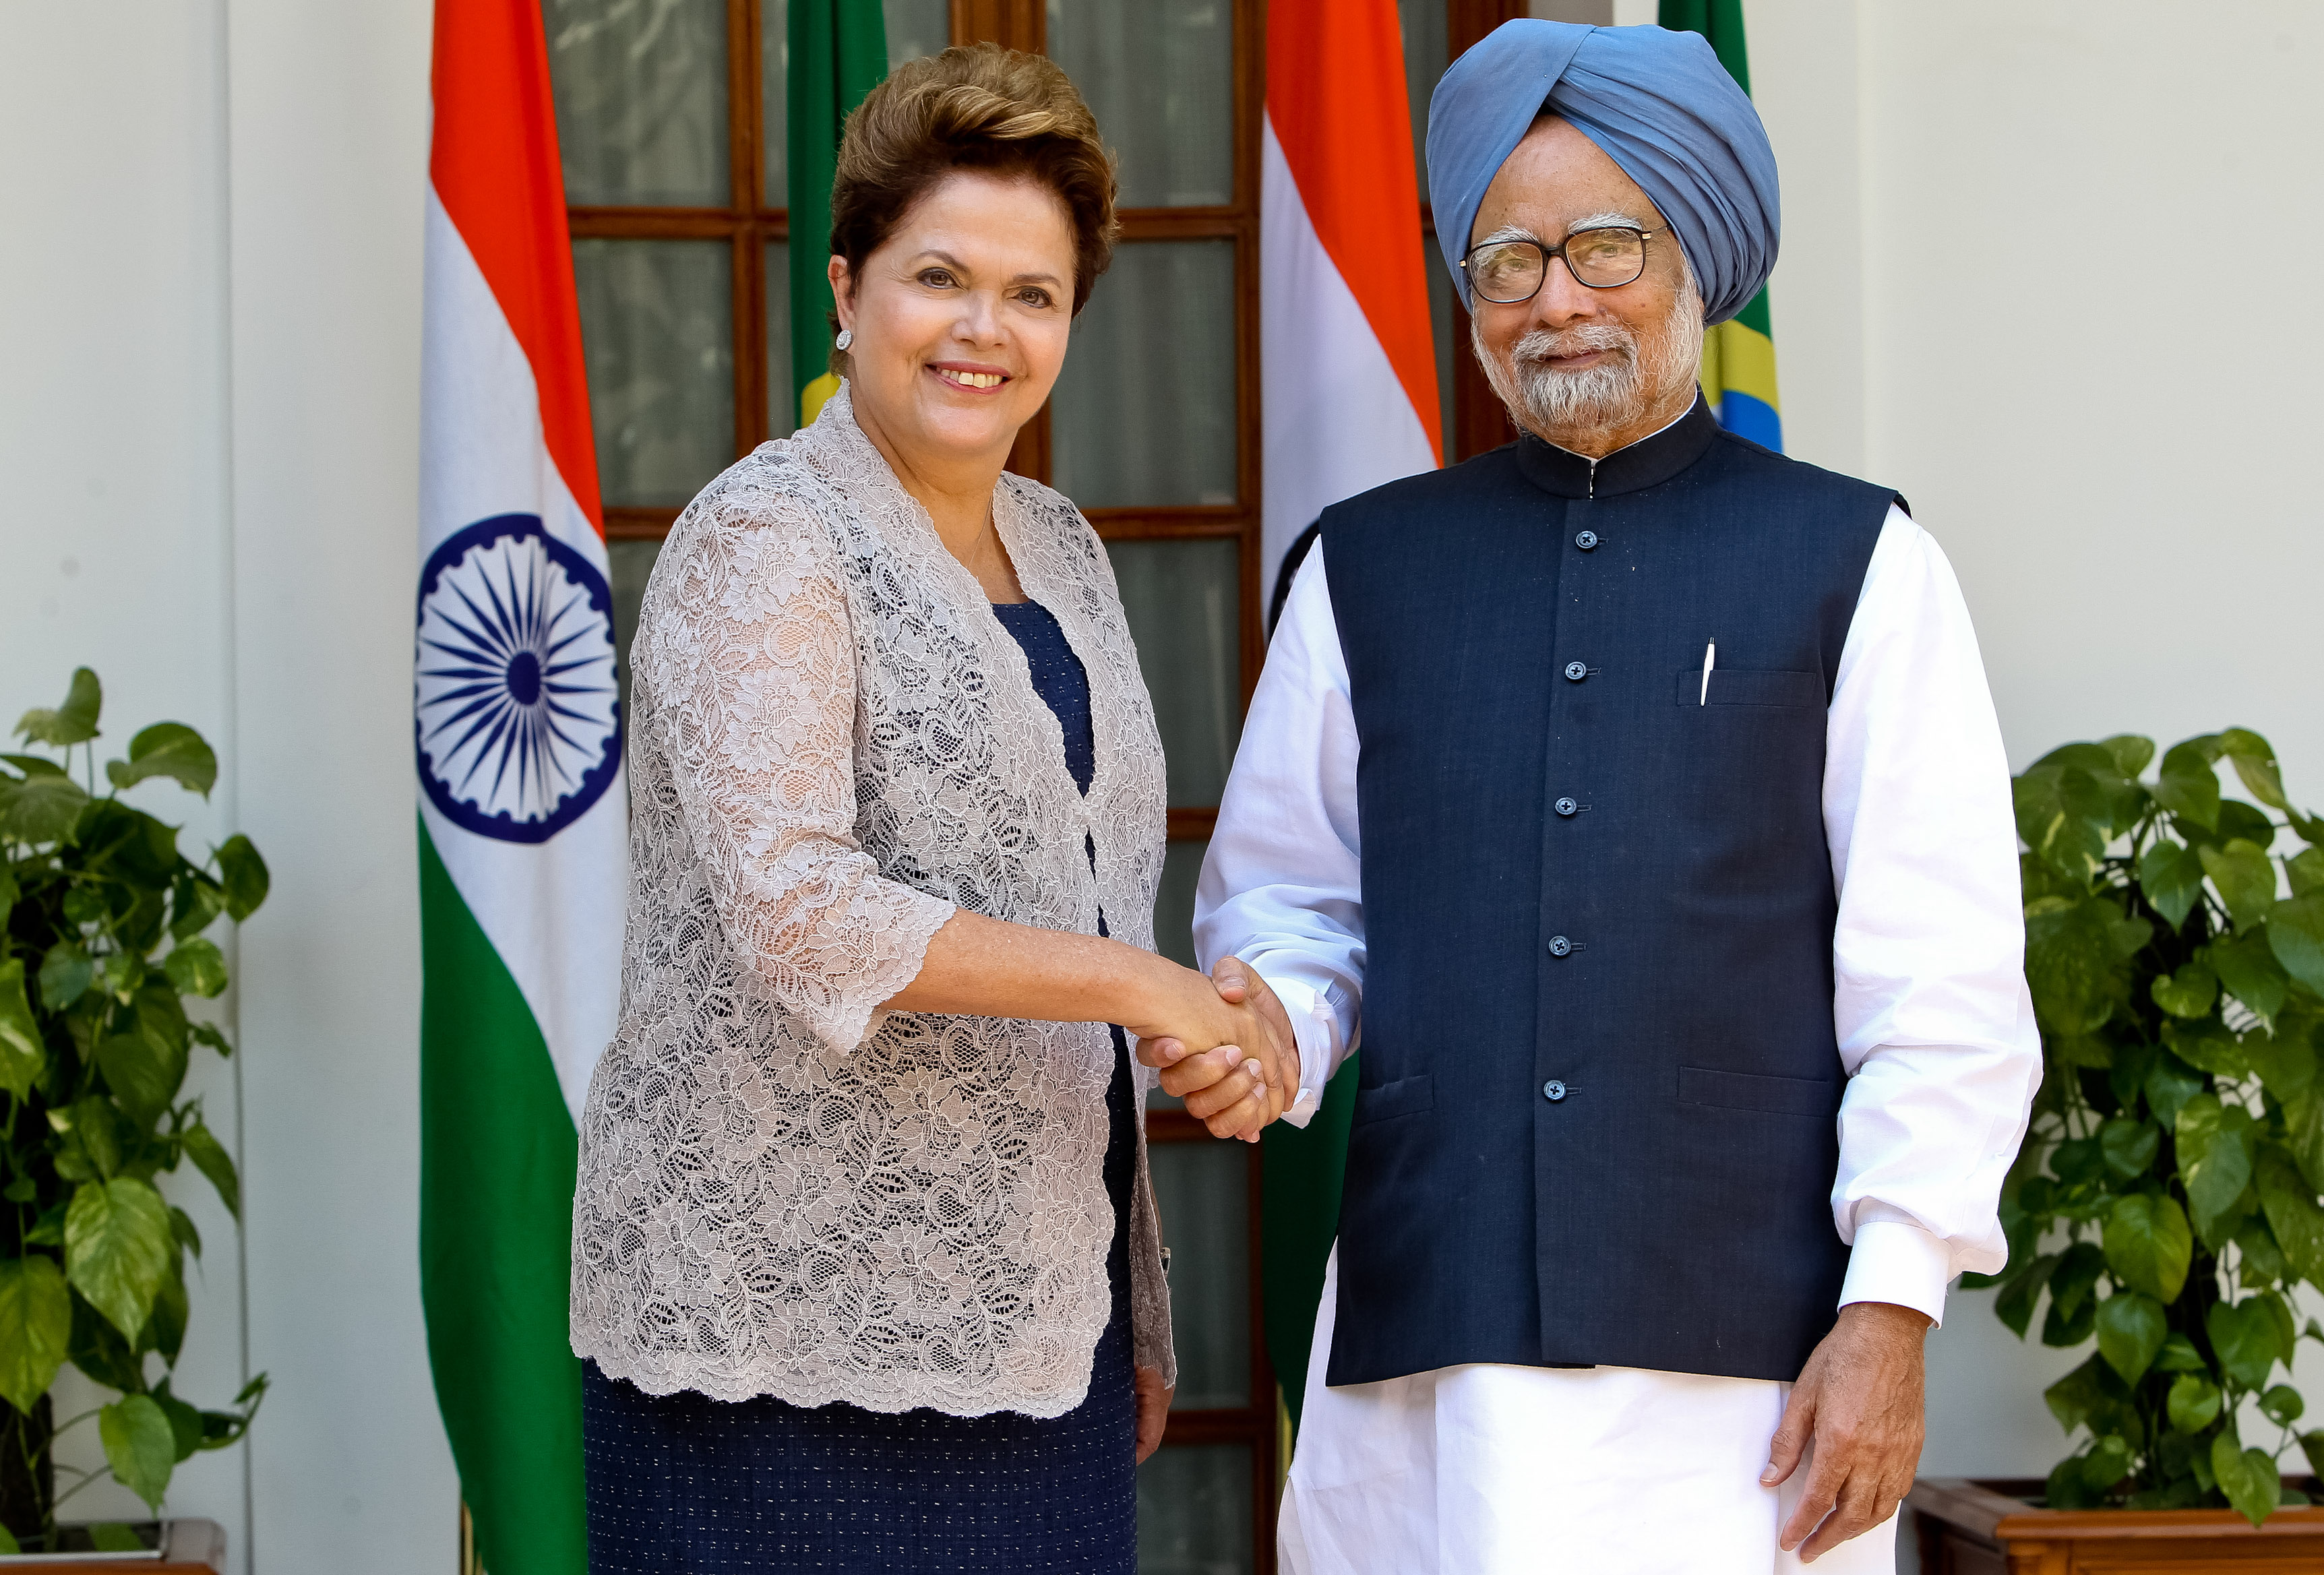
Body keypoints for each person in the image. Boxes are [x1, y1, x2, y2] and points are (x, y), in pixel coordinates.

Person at [1144, 20, 2040, 1574]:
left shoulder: (1863, 563)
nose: (1556, 295)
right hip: (1434, 1358)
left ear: (1695, 254)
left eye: (1604, 245)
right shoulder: (1362, 570)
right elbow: (1296, 903)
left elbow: (1941, 981)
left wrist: (1891, 1309)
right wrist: (1273, 1030)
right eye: (1508, 258)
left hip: (1748, 1376)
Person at [567, 43, 1286, 1574]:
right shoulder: (766, 536)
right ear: (847, 288)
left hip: (1043, 1339)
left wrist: (1131, 1289)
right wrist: (1142, 987)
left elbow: (1091, 902)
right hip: (783, 1356)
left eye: (1032, 294)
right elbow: (801, 910)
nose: (985, 330)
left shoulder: (1063, 545)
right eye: (940, 276)